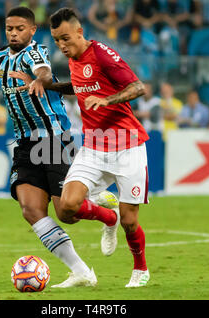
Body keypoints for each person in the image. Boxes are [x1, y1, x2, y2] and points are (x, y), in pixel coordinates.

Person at [0, 6, 96, 288]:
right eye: (9, 29)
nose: (14, 33)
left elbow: (45, 73)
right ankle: (81, 272)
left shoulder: (35, 53)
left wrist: (40, 80)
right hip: (24, 144)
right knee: (31, 210)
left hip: (53, 139)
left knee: (67, 213)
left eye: (20, 29)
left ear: (32, 30)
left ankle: (99, 202)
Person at [48, 8, 150, 288]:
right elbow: (80, 87)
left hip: (127, 144)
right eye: (57, 40)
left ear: (80, 32)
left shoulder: (102, 53)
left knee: (131, 222)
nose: (61, 46)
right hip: (93, 146)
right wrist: (50, 86)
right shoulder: (73, 58)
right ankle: (108, 217)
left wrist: (107, 101)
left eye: (65, 39)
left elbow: (138, 87)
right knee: (67, 208)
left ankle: (140, 269)